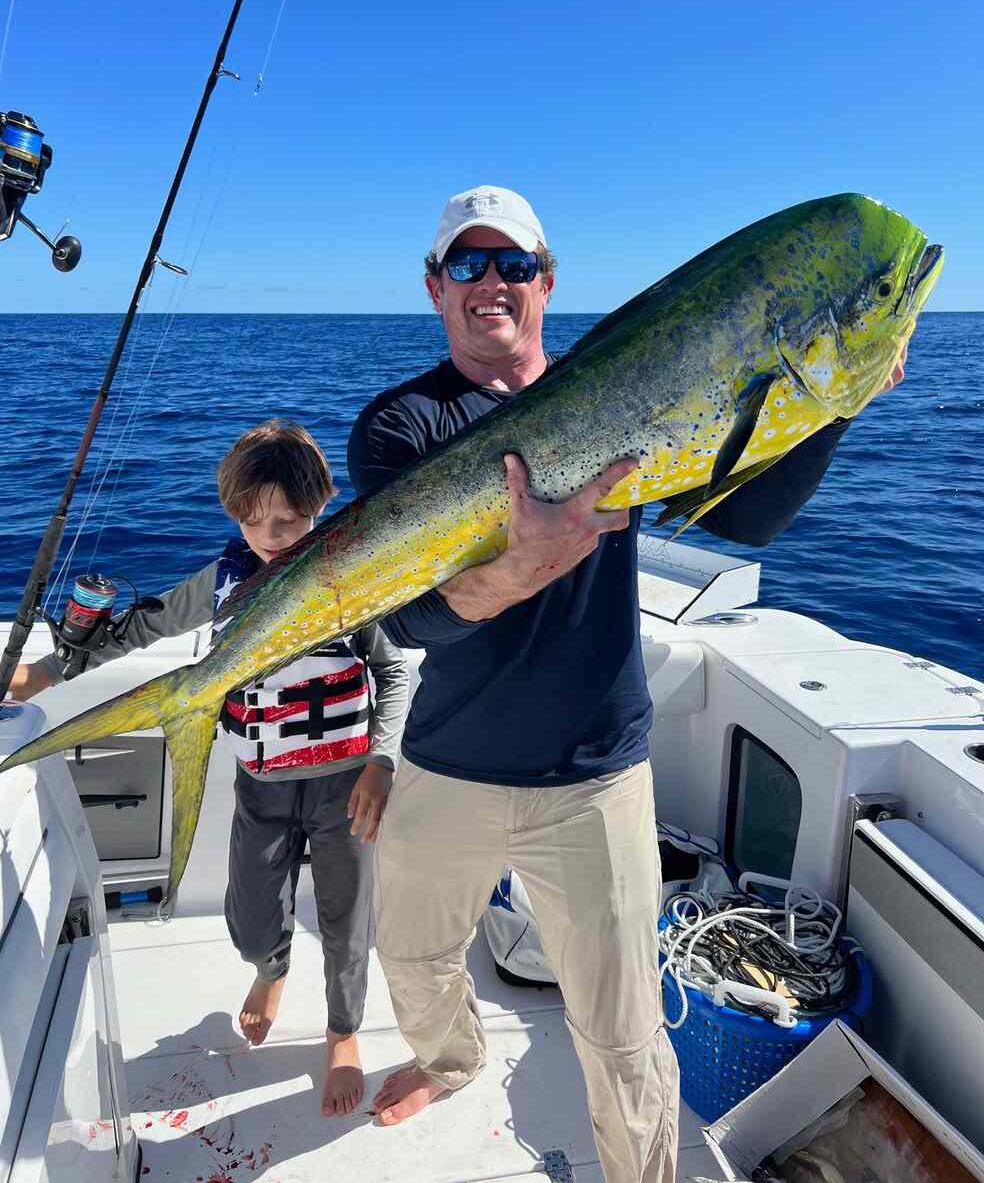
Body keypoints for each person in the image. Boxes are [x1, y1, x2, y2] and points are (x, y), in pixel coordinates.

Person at [347, 186, 906, 1182]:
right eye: (467, 265)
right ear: (435, 286)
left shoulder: (633, 391)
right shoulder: (402, 423)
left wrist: (834, 404)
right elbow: (408, 614)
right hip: (446, 763)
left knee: (625, 1031)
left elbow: (749, 520)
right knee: (414, 956)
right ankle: (450, 1056)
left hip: (595, 774)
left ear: (546, 280)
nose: (491, 284)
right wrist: (522, 562)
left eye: (511, 263)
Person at [0, 418, 409, 1118]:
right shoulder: (222, 581)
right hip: (262, 787)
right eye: (256, 520)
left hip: (345, 787)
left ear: (322, 508)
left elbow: (392, 674)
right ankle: (269, 970)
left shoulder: (350, 584)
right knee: (248, 920)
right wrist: (40, 675)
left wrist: (383, 762)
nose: (273, 534)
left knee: (347, 922)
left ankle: (343, 1033)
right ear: (233, 517)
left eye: (291, 518)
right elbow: (133, 630)